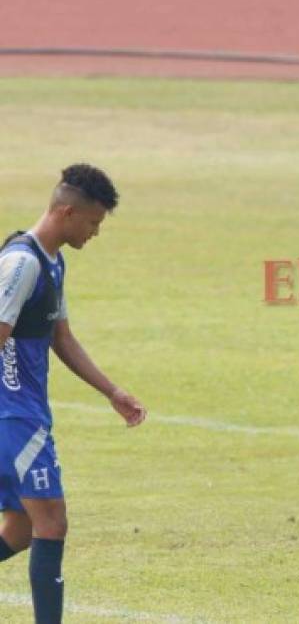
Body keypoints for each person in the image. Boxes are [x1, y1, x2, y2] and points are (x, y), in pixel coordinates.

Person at [0, 164, 147, 623]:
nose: (95, 232)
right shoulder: (22, 264)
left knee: (21, 530)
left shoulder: (52, 262)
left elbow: (61, 338)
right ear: (67, 212)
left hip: (23, 414)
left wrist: (112, 390)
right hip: (14, 417)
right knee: (52, 523)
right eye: (93, 222)